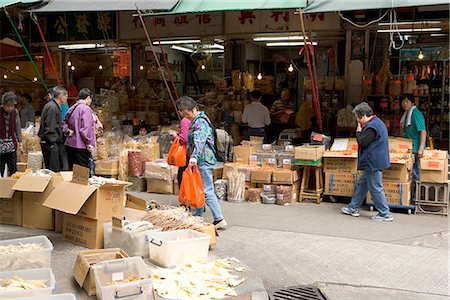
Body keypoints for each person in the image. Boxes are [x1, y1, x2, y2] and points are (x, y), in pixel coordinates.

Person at [176, 96, 227, 230]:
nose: (186, 116)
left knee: (206, 190)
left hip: (204, 159)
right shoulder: (195, 121)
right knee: (198, 188)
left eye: (187, 113)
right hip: (200, 160)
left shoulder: (201, 122)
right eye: (183, 114)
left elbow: (200, 140)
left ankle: (219, 218)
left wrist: (194, 156)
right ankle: (198, 216)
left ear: (194, 109)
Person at [341, 102, 393, 222]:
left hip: (373, 162)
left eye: (358, 118)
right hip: (374, 160)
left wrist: (358, 131)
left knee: (375, 187)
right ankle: (353, 207)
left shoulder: (371, 127)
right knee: (363, 183)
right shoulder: (377, 122)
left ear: (363, 116)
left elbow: (363, 142)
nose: (357, 121)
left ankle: (385, 213)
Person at [63, 88, 96, 171]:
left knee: (73, 170)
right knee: (82, 172)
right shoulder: (86, 109)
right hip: (81, 145)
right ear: (88, 98)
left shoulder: (72, 107)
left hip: (70, 144)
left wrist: (67, 130)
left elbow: (64, 122)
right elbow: (86, 128)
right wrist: (89, 142)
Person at [400, 94, 426, 194]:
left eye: (407, 101)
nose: (405, 104)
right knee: (410, 174)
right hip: (410, 148)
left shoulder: (416, 114)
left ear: (412, 103)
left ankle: (417, 196)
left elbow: (423, 131)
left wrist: (421, 148)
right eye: (403, 102)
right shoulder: (406, 114)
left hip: (416, 149)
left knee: (416, 174)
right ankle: (410, 195)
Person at [38, 86, 68, 172]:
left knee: (55, 169)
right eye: (66, 96)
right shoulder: (52, 107)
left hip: (52, 143)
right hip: (50, 143)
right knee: (53, 170)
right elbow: (50, 128)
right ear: (61, 96)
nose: (66, 98)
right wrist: (53, 142)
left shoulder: (54, 106)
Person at [0, 92, 22, 176]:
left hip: (11, 144)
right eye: (8, 106)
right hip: (0, 144)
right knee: (1, 169)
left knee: (13, 169)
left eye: (12, 106)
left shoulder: (15, 113)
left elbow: (18, 128)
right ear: (3, 104)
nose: (10, 108)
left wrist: (20, 143)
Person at [175, 114, 191, 189]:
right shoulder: (199, 120)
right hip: (196, 153)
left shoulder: (185, 121)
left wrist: (176, 136)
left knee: (183, 175)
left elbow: (184, 139)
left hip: (187, 152)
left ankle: (185, 195)